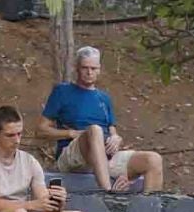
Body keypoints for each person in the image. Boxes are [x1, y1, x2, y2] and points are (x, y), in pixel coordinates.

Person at [40, 47, 166, 194]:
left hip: (105, 158)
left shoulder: (103, 98)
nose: (89, 72)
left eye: (93, 68)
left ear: (99, 70)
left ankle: (151, 210)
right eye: (85, 68)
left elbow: (113, 131)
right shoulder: (62, 91)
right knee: (95, 130)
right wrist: (71, 133)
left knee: (153, 159)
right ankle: (108, 192)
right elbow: (41, 130)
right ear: (77, 68)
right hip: (74, 156)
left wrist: (116, 139)